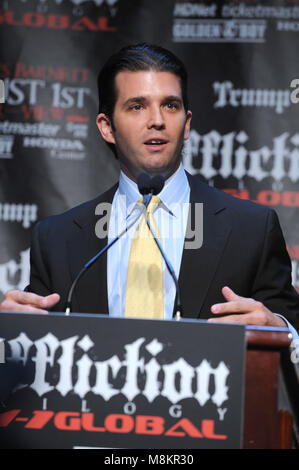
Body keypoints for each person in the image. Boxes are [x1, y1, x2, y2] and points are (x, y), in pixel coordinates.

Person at [0, 43, 298, 333]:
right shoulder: (57, 240)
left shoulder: (252, 229)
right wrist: (12, 334)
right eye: (137, 106)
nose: (157, 121)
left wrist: (280, 329)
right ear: (106, 127)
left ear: (187, 123)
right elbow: (35, 357)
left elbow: (291, 329)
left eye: (170, 105)